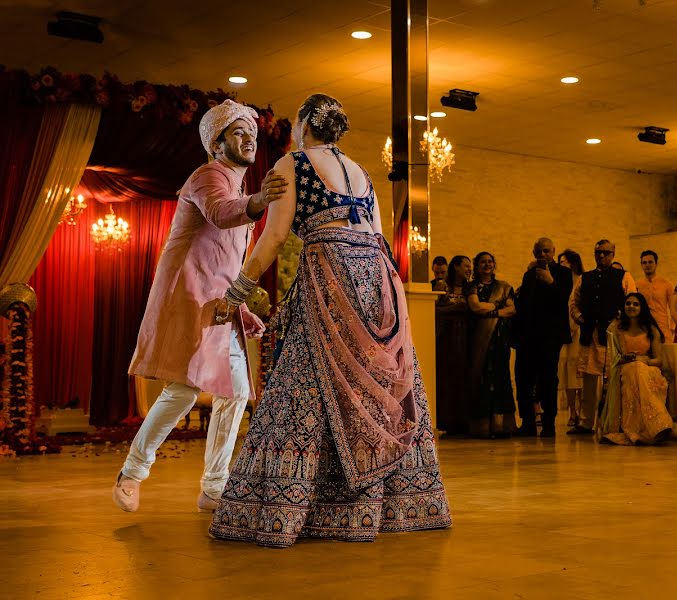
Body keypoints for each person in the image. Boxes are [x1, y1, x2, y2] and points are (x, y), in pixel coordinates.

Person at [208, 94, 450, 547]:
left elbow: (274, 235)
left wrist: (236, 292)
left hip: (332, 276)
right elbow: (378, 237)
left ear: (303, 124)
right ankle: (391, 505)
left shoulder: (291, 164)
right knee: (375, 387)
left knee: (306, 383)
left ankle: (288, 507)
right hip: (378, 280)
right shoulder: (362, 173)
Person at [113, 100, 285, 513]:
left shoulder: (238, 189)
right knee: (185, 389)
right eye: (238, 133)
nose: (249, 139)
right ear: (216, 143)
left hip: (217, 305)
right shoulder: (208, 176)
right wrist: (260, 201)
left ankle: (214, 487)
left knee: (237, 392)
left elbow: (225, 267)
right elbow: (221, 213)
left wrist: (241, 309)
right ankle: (133, 471)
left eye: (252, 134)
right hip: (188, 297)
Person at [570, 240, 635, 434]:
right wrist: (580, 318)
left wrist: (619, 324)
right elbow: (574, 302)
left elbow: (632, 302)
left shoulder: (624, 276)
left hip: (613, 336)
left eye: (605, 253)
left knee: (614, 380)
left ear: (613, 253)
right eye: (597, 252)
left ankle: (613, 422)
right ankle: (585, 422)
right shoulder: (585, 277)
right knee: (589, 381)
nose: (601, 256)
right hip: (590, 334)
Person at [513, 237, 574, 438]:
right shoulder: (529, 275)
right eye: (539, 251)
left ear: (553, 251)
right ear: (534, 253)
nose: (542, 255)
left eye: (546, 251)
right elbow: (524, 306)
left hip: (550, 336)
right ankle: (528, 422)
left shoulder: (564, 274)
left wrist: (550, 282)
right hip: (528, 335)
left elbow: (562, 300)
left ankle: (549, 424)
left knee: (548, 379)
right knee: (524, 378)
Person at [597, 293, 673, 445]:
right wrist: (629, 360)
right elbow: (612, 357)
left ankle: (654, 426)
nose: (631, 307)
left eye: (635, 304)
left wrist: (643, 360)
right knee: (634, 371)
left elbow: (659, 360)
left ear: (642, 308)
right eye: (628, 303)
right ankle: (653, 427)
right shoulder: (616, 329)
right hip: (624, 368)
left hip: (649, 369)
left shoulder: (651, 330)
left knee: (638, 370)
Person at [467, 252, 517, 438]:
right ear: (477, 266)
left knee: (501, 376)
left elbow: (512, 310)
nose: (487, 265)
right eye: (483, 262)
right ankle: (482, 427)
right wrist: (498, 309)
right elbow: (475, 306)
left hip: (499, 338)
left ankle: (502, 426)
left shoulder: (504, 287)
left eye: (490, 261)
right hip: (479, 338)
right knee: (482, 377)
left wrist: (489, 310)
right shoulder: (472, 286)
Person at [435, 255, 473, 436]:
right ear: (456, 267)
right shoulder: (443, 286)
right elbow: (433, 309)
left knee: (463, 378)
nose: (469, 269)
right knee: (447, 378)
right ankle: (446, 421)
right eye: (466, 266)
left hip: (465, 336)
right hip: (447, 336)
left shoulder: (470, 288)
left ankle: (462, 422)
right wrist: (455, 309)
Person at [558, 249, 584, 427]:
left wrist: (576, 324)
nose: (560, 265)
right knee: (565, 369)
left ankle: (582, 410)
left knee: (578, 369)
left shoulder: (582, 281)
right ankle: (571, 411)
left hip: (579, 330)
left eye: (563, 262)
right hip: (562, 331)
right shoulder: (559, 282)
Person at [636, 250, 675, 341]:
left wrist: (672, 329)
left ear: (656, 263)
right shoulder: (636, 285)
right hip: (643, 330)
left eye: (650, 262)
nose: (647, 265)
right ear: (641, 265)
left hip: (663, 330)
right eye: (644, 262)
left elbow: (673, 308)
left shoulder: (666, 284)